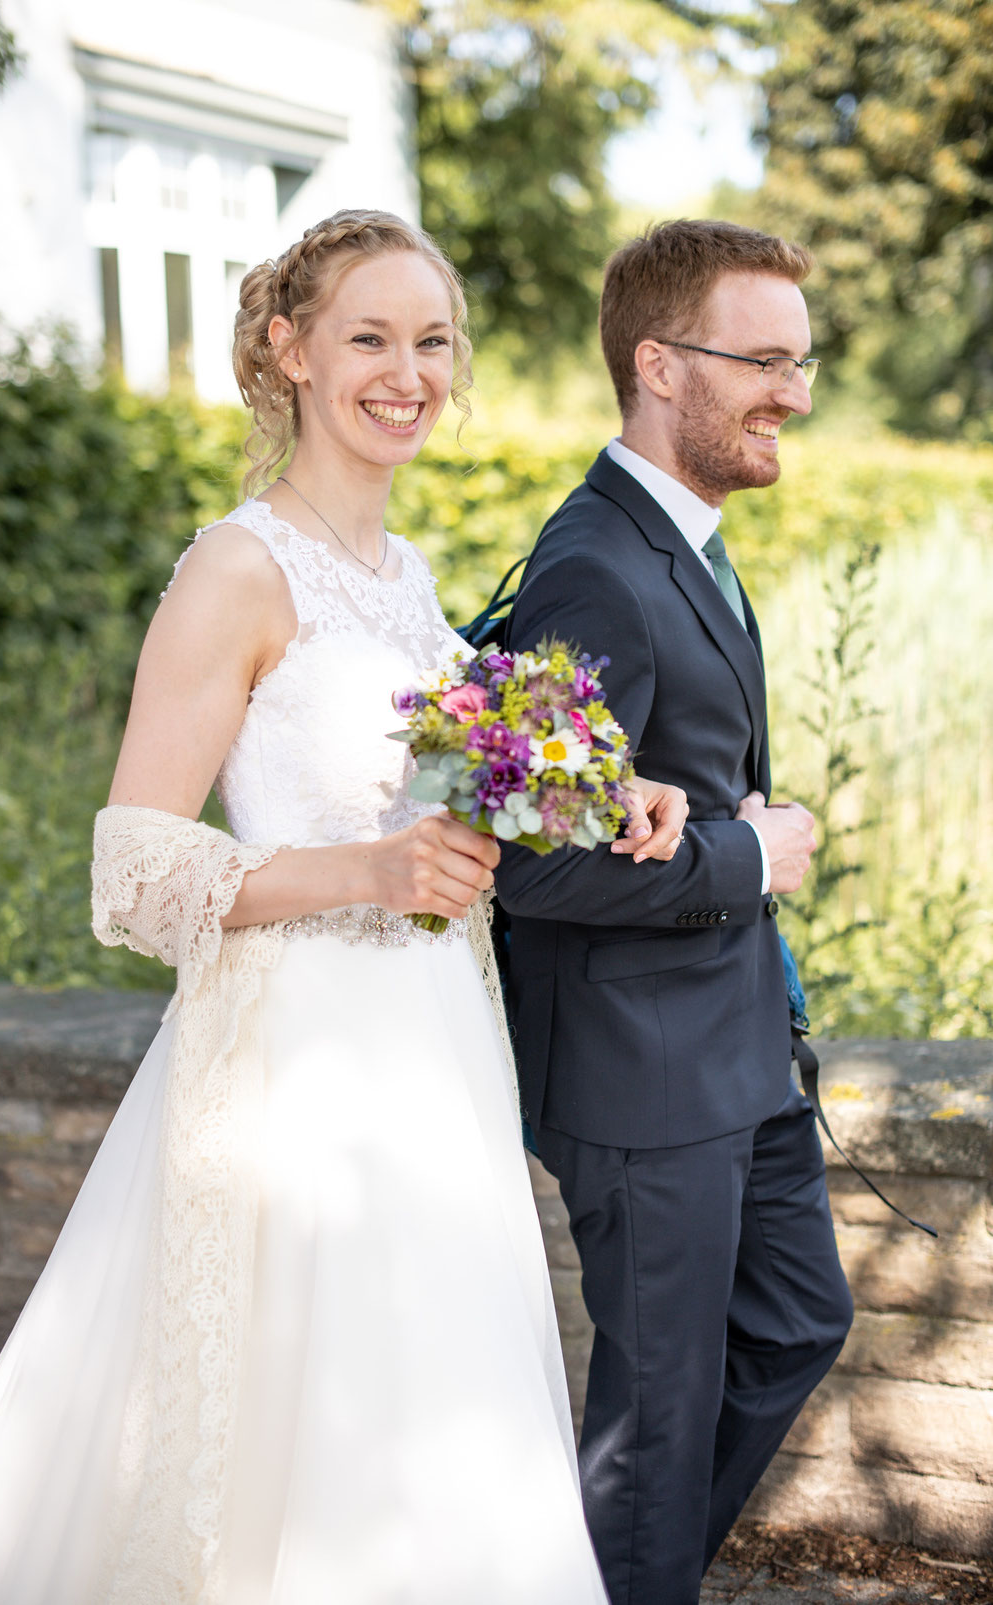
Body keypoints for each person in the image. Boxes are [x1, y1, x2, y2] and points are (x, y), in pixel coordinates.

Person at [0, 209, 686, 1605]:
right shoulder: (237, 567)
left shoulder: (408, 580)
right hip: (291, 1073)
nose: (408, 372)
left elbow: (460, 782)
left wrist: (611, 789)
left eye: (433, 341)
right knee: (300, 1425)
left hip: (435, 1054)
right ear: (287, 350)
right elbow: (138, 870)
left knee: (435, 1419)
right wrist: (367, 874)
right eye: (369, 338)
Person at [495, 219, 855, 1605]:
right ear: (658, 364)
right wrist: (745, 859)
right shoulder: (592, 566)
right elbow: (537, 867)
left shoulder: (682, 543)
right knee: (651, 1423)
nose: (797, 391)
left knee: (795, 1320)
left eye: (799, 359)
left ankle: (588, 1578)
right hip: (641, 1077)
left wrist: (728, 850)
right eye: (764, 360)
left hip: (734, 1050)